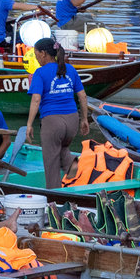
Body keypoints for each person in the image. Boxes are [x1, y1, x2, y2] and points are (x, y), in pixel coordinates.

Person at [23, 37, 89, 187]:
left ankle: (54, 199)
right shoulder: (70, 69)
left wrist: (29, 124)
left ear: (44, 53)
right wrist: (84, 119)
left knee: (51, 161)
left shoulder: (40, 73)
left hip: (52, 122)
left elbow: (36, 100)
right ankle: (73, 172)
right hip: (72, 120)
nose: (36, 58)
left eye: (36, 54)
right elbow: (82, 96)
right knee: (63, 149)